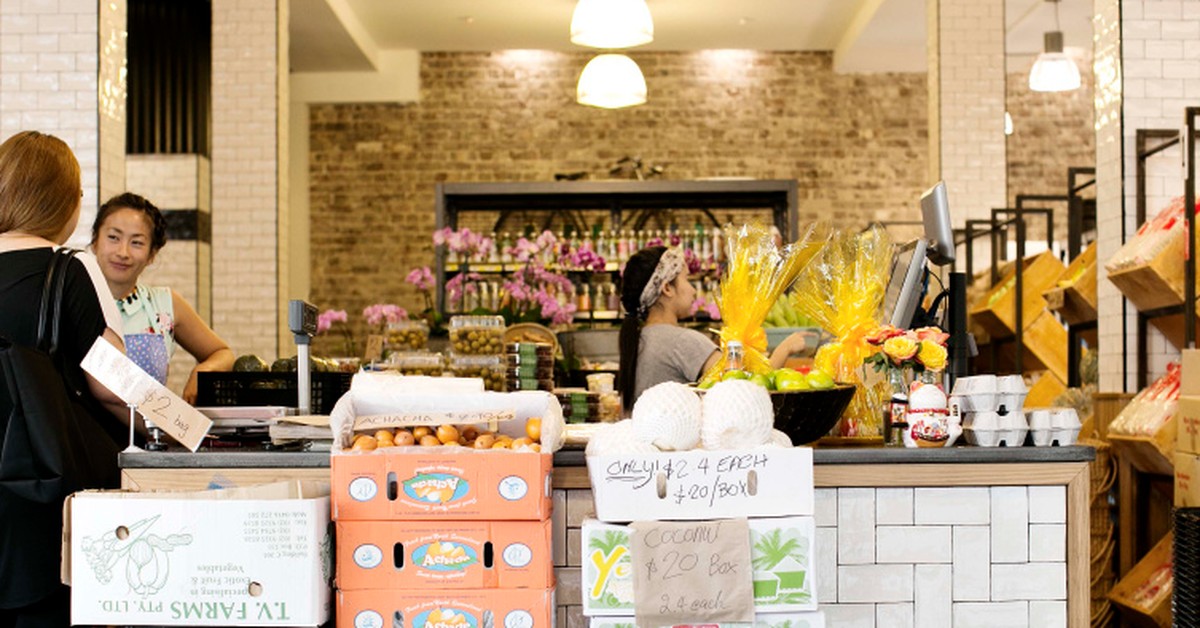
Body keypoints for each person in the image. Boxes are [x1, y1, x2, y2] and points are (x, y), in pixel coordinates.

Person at [0, 130, 127, 627]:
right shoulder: (67, 270)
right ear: (66, 201)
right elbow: (112, 388)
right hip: (39, 491)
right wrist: (181, 431)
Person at [618, 245, 809, 411]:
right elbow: (745, 393)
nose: (693, 290)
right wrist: (784, 349)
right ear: (667, 288)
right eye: (687, 280)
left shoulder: (639, 338)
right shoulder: (682, 341)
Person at [91, 192, 234, 404]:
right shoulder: (69, 298)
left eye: (136, 242)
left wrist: (203, 371)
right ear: (95, 241)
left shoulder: (165, 304)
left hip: (150, 425)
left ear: (152, 254)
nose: (123, 252)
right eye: (113, 238)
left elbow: (222, 353)